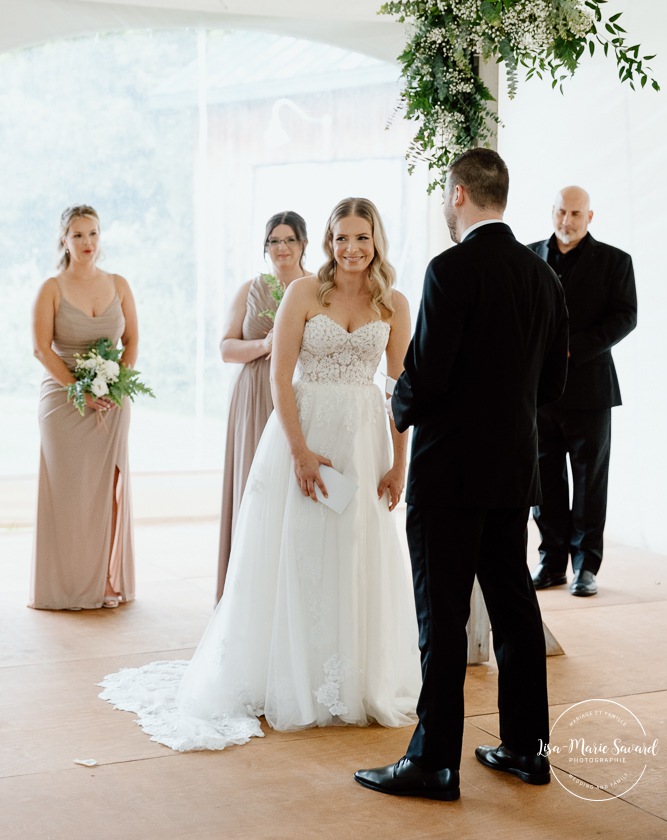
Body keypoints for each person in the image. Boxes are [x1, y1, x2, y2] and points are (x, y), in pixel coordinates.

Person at [99, 197, 421, 749]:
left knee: (354, 550)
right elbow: (279, 377)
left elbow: (400, 390)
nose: (351, 249)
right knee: (296, 551)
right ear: (327, 241)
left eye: (361, 238)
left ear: (377, 240)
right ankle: (291, 677)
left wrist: (398, 464)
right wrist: (298, 451)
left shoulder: (394, 302)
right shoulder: (302, 292)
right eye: (341, 238)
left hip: (365, 442)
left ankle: (353, 681)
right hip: (305, 429)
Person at [354, 148, 569, 801]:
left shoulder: (450, 268)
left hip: (448, 472)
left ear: (457, 194)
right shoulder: (543, 277)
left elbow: (428, 369)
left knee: (441, 613)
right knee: (512, 605)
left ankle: (433, 762)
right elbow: (552, 384)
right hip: (513, 468)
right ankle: (527, 748)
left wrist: (398, 403)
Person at [528, 186, 637, 597]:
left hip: (591, 390)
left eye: (575, 213)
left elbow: (626, 317)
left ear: (590, 217)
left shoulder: (614, 262)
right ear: (551, 211)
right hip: (540, 393)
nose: (566, 221)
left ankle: (585, 566)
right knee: (545, 481)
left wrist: (574, 347)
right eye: (560, 212)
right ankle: (551, 561)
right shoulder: (528, 256)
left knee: (590, 482)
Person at [30, 205, 139, 610]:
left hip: (111, 402)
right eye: (78, 235)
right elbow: (41, 349)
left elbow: (133, 341)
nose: (88, 243)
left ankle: (106, 581)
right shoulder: (51, 289)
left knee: (110, 488)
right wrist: (80, 388)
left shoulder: (119, 284)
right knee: (70, 493)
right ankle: (68, 585)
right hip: (62, 402)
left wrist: (117, 383)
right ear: (64, 240)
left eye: (93, 234)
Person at [216, 210, 309, 602]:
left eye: (289, 239)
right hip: (255, 394)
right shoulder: (251, 289)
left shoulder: (316, 288)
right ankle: (246, 593)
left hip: (301, 393)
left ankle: (290, 589)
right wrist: (264, 346)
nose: (281, 248)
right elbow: (225, 347)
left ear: (303, 243)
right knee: (255, 486)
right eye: (273, 241)